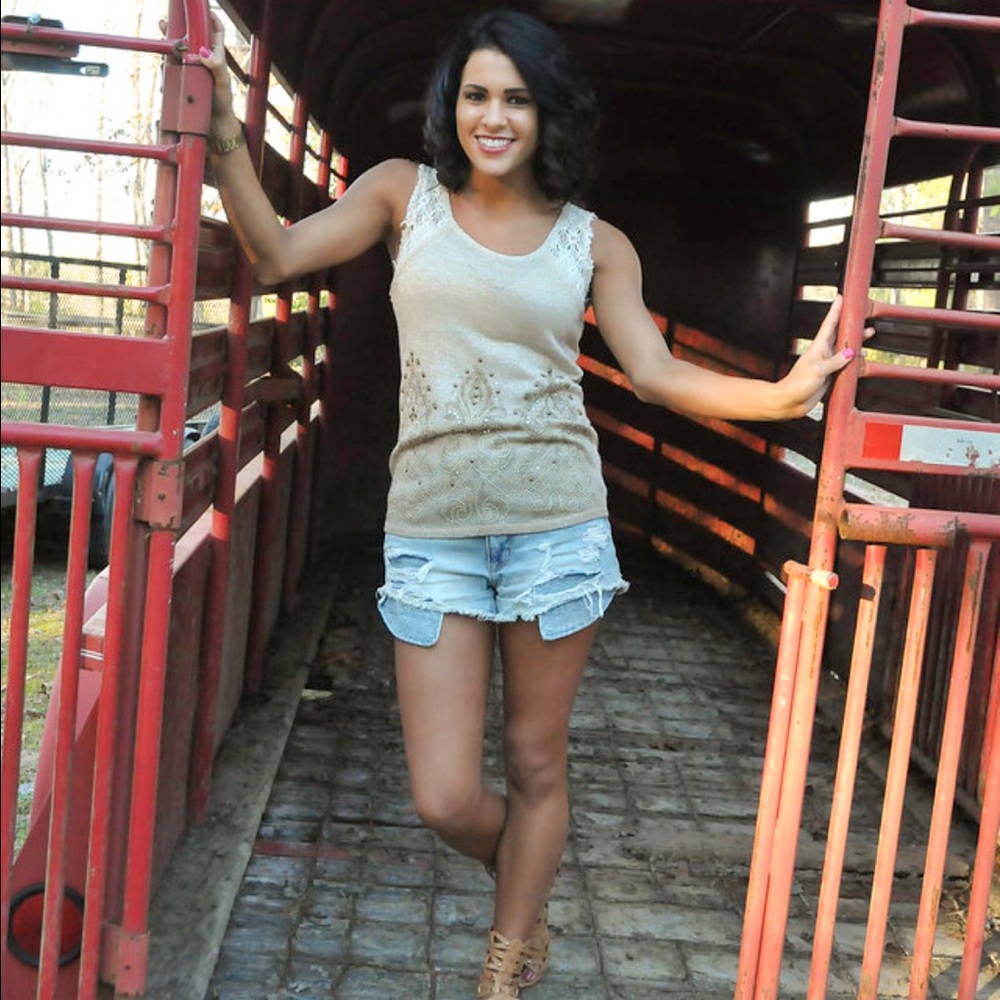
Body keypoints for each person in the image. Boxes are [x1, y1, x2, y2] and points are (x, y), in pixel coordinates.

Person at [198, 9, 861, 997]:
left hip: (557, 527)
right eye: (475, 95)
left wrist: (774, 396)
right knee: (444, 793)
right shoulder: (399, 195)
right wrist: (222, 148)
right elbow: (279, 256)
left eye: (517, 97)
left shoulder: (598, 243)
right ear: (449, 105)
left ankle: (506, 960)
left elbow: (654, 370)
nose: (493, 116)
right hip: (431, 532)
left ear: (552, 114)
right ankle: (528, 880)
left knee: (534, 758)